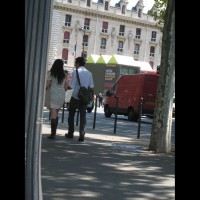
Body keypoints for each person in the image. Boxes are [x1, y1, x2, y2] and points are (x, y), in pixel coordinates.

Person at [65, 56, 94, 142]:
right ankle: (82, 134)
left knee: (71, 115)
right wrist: (91, 96)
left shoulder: (75, 72)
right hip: (84, 98)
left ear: (78, 63)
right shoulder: (89, 73)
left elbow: (72, 85)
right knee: (83, 116)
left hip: (75, 97)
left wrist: (66, 87)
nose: (74, 65)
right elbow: (91, 87)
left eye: (75, 63)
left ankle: (70, 132)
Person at [46, 59, 68, 139]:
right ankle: (54, 131)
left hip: (53, 93)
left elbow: (47, 85)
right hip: (61, 94)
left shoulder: (50, 73)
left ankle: (53, 133)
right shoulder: (65, 75)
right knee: (56, 112)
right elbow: (65, 88)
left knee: (53, 113)